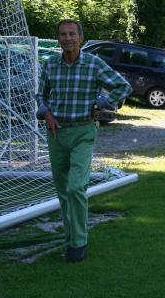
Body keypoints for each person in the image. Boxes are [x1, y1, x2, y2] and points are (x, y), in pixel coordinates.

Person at [36, 19, 132, 263]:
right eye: (62, 34)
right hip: (56, 134)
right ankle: (70, 240)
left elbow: (122, 86)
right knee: (62, 191)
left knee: (76, 187)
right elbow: (41, 94)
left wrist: (101, 103)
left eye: (71, 34)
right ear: (58, 38)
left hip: (83, 131)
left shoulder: (93, 64)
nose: (67, 38)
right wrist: (46, 114)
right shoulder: (49, 65)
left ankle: (79, 242)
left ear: (80, 37)